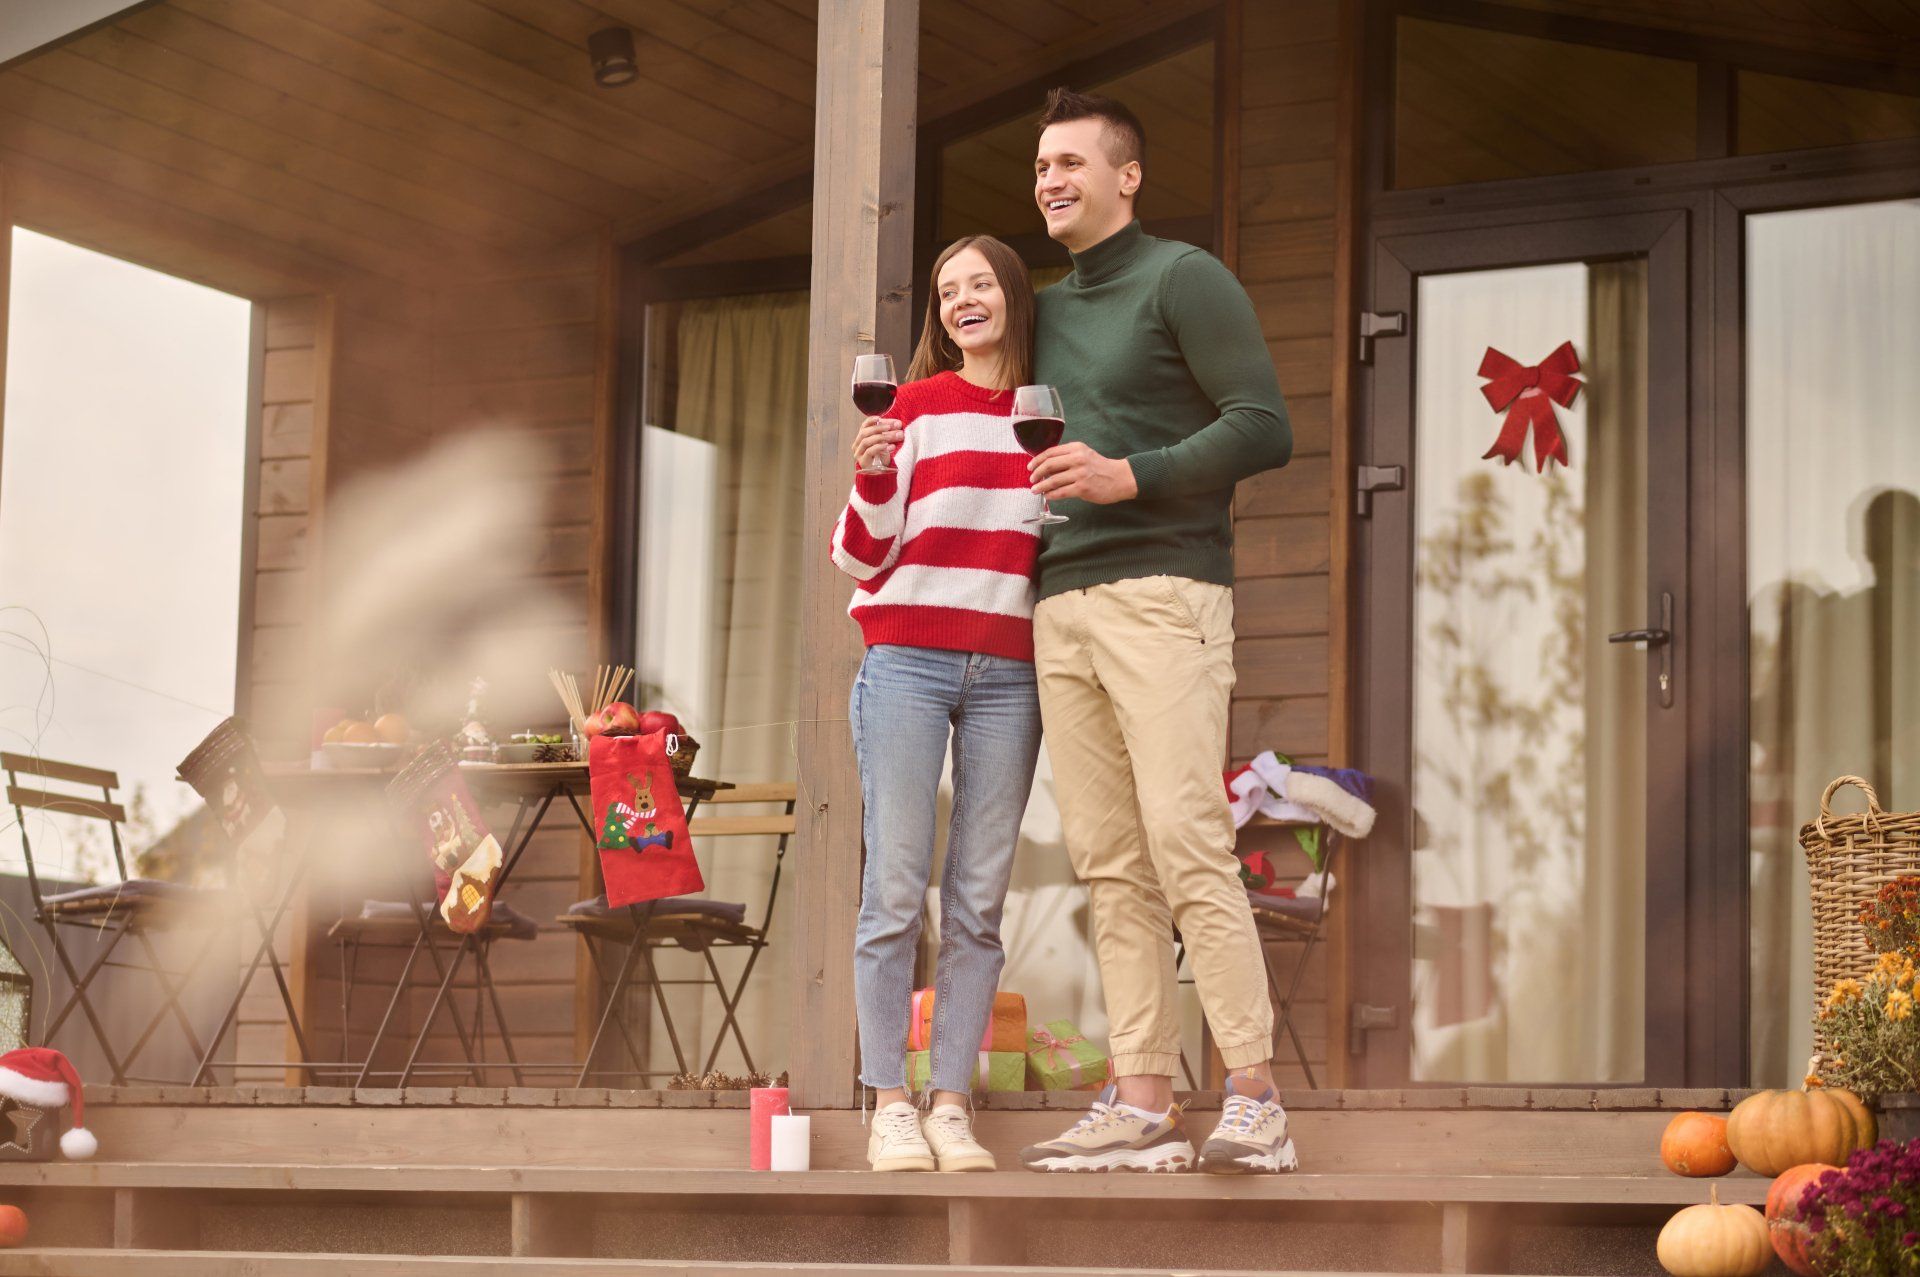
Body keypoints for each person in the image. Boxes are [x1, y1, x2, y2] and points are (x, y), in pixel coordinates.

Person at [1016, 87, 1297, 1175]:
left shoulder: (1185, 277)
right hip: (1062, 603)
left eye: (1071, 163)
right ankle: (1142, 1096)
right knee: (1109, 861)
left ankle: (1256, 1097)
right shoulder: (1047, 306)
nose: (1050, 180)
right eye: (1041, 166)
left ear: (1126, 176)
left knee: (1185, 841)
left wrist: (1131, 474)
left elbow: (1264, 425)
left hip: (1166, 594)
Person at [829, 235, 1045, 1173]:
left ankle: (951, 1103)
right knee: (892, 887)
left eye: (980, 283)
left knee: (978, 900)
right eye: (948, 290)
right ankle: (888, 1101)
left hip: (1010, 673)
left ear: (1012, 297)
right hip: (907, 660)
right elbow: (858, 554)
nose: (963, 300)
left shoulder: (1048, 414)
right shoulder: (911, 407)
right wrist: (875, 471)